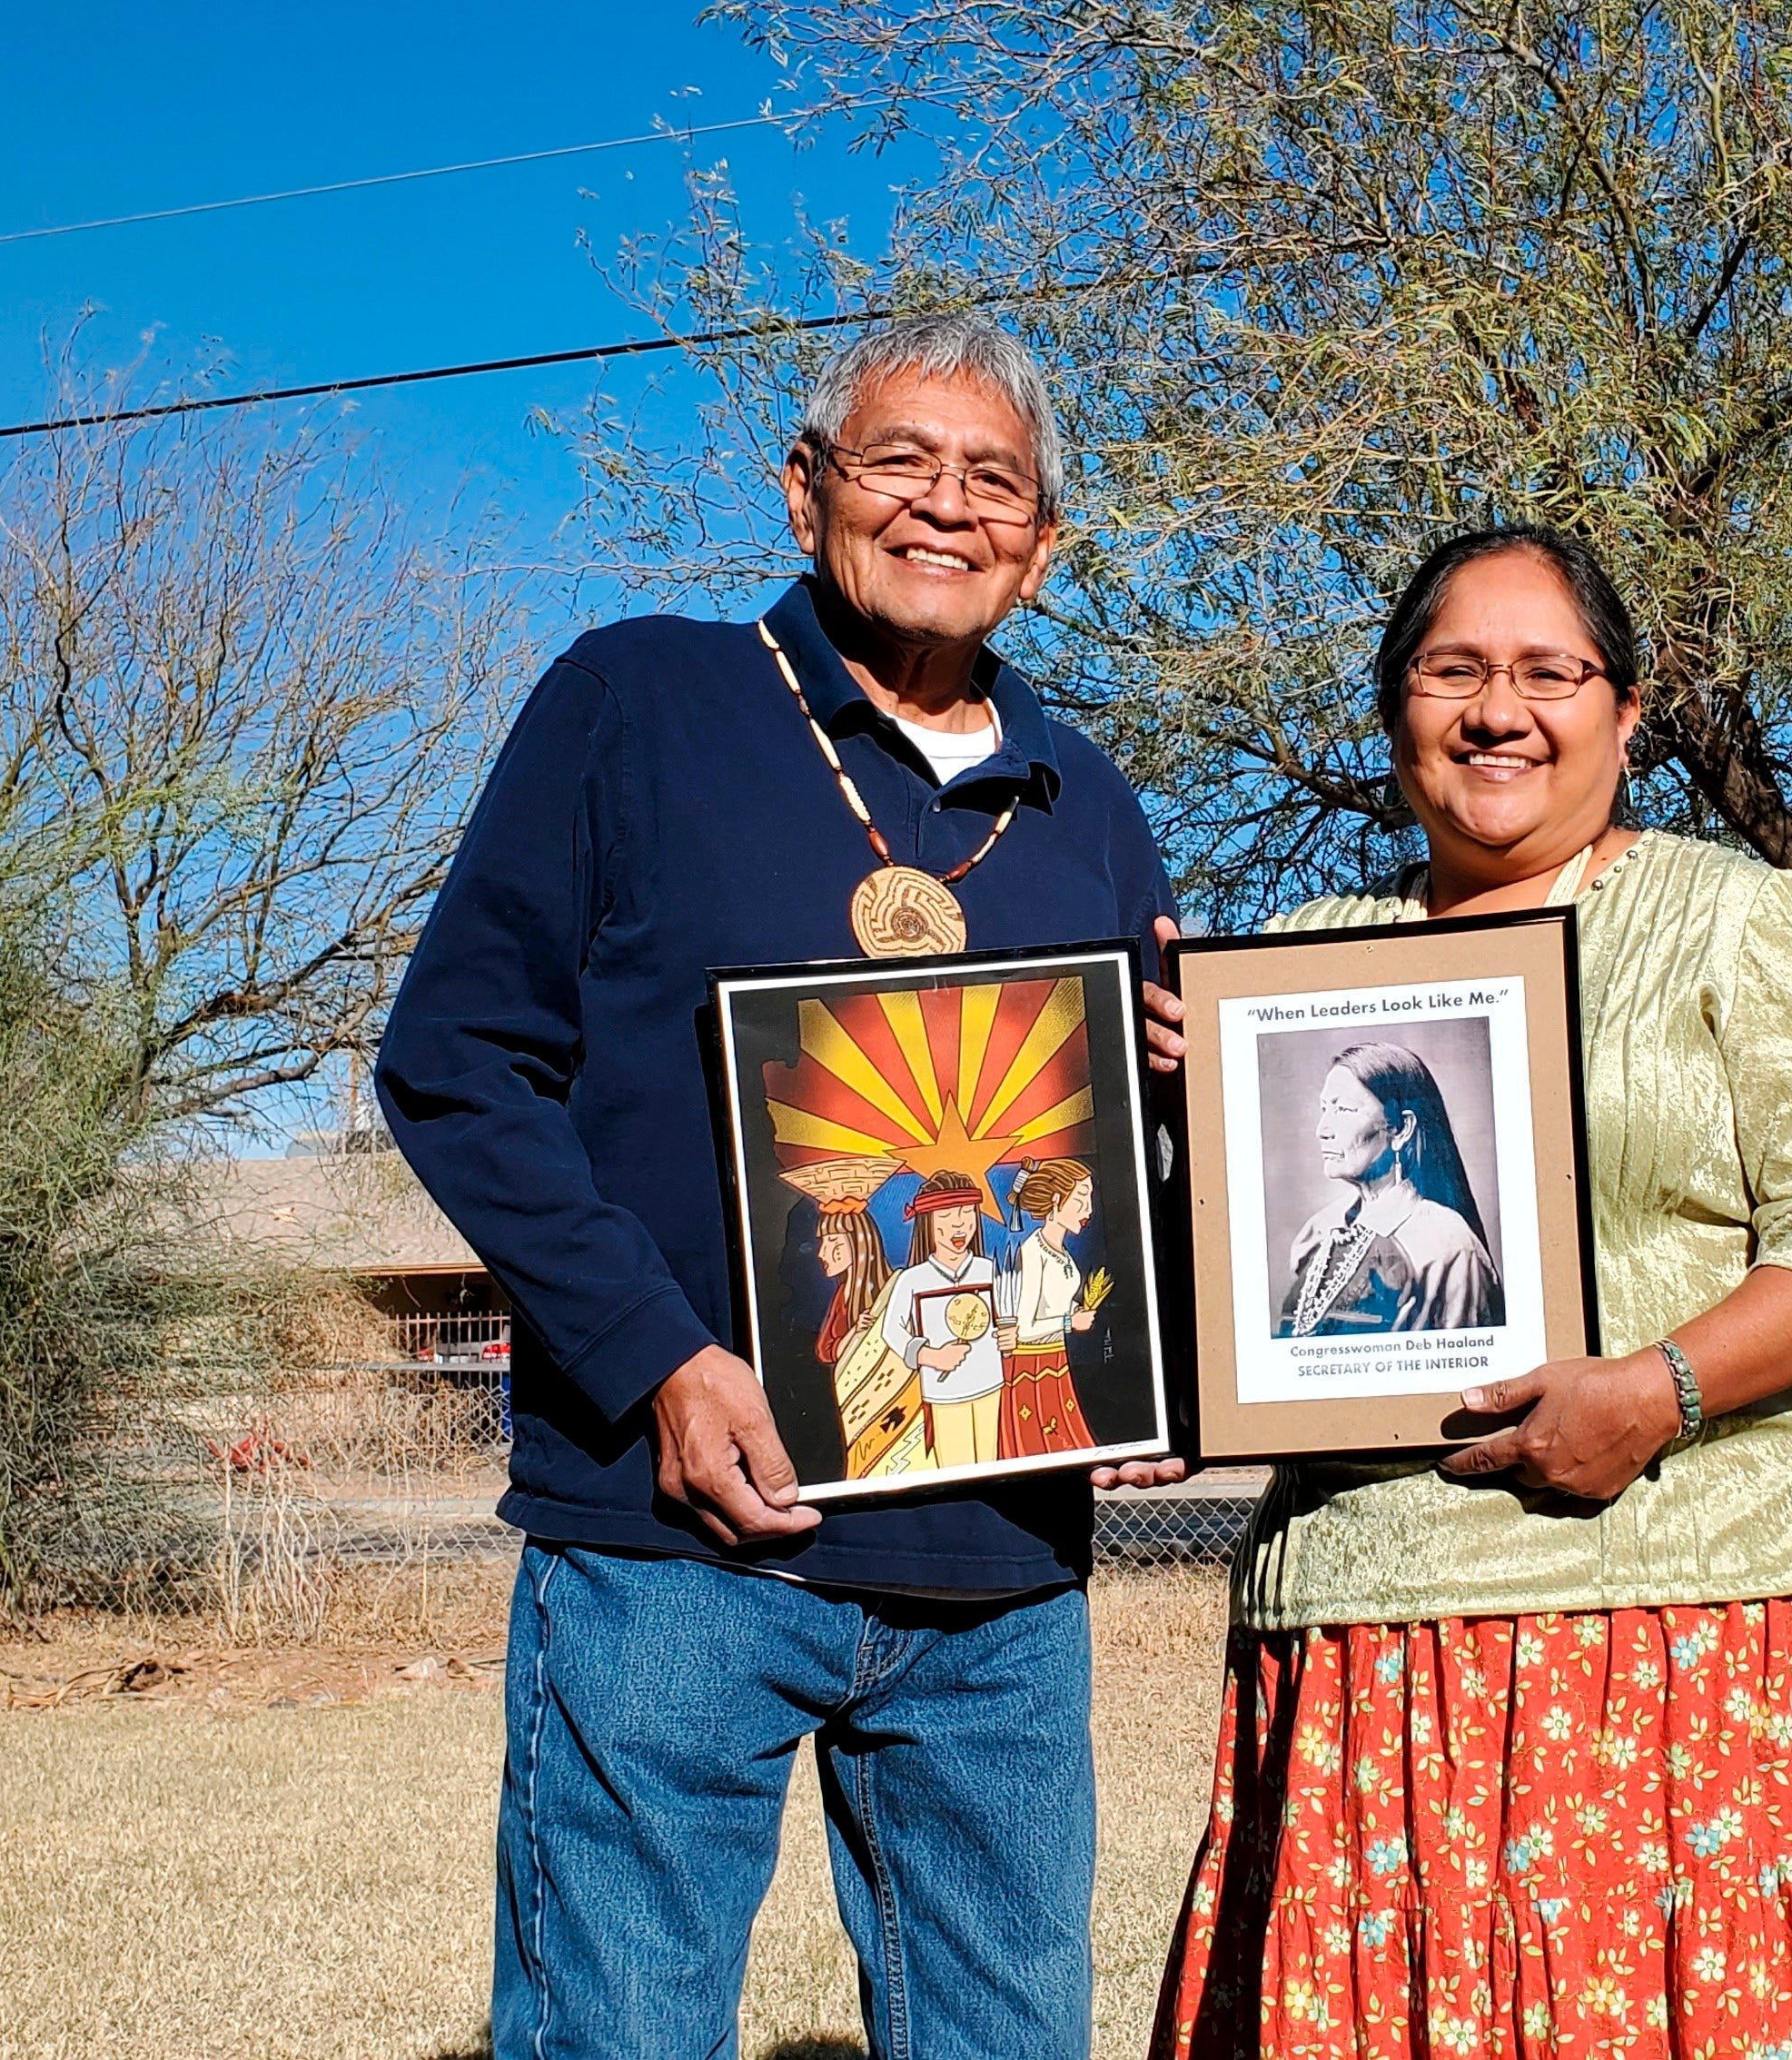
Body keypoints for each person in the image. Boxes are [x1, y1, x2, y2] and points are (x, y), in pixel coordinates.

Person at [377, 309, 1187, 2060]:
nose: (947, 509)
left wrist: (1168, 1311)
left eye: (997, 482)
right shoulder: (638, 703)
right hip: (677, 1543)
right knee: (619, 2032)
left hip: (1003, 1579)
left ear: (1046, 543)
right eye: (901, 462)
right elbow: (456, 1060)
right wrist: (660, 1362)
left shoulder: (1096, 808)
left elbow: (1114, 1183)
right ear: (806, 487)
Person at [1150, 523, 1792, 2060]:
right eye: (1453, 670)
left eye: (1546, 672)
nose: (1497, 709)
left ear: (1624, 709)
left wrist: (1657, 1391)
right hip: (1367, 1617)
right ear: (1393, 708)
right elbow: (1226, 1297)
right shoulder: (1306, 957)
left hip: (1679, 1601)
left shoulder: (1733, 915)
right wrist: (1161, 1107)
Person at [1272, 1042, 1502, 1337]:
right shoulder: (1319, 1231)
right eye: (1324, 1109)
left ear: (1401, 1129)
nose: (1323, 1129)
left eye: (1343, 1109)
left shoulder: (1449, 1247)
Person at [882, 1173, 1005, 1470]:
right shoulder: (913, 1279)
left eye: (966, 1214)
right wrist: (930, 1356)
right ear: (928, 1223)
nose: (959, 1224)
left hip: (991, 1384)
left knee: (993, 1463)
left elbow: (1007, 1317)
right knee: (957, 1468)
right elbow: (892, 1330)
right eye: (947, 1216)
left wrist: (1009, 1338)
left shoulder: (988, 1270)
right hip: (945, 1394)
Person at [995, 1157, 1102, 1458]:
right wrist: (1070, 1322)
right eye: (1081, 1200)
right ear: (1056, 1201)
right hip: (1032, 1372)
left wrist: (1076, 1309)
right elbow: (1024, 1329)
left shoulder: (1062, 1253)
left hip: (1057, 1364)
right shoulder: (1033, 1253)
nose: (1089, 1210)